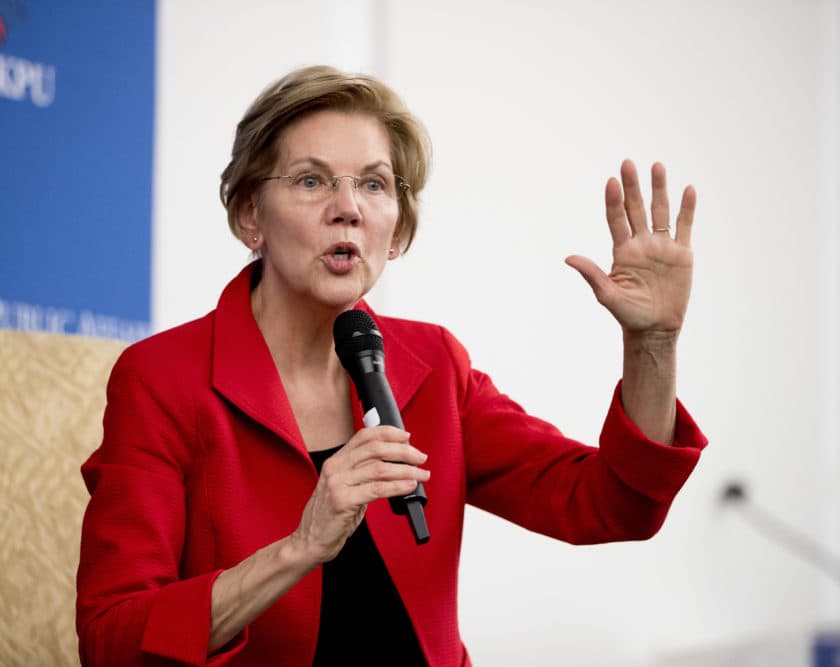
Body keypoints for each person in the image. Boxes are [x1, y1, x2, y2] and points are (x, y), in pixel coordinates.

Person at [75, 64, 707, 667]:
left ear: (397, 230)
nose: (348, 206)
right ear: (249, 216)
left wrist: (652, 343)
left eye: (373, 184)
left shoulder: (432, 365)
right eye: (311, 180)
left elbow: (611, 504)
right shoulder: (162, 379)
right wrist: (301, 548)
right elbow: (113, 640)